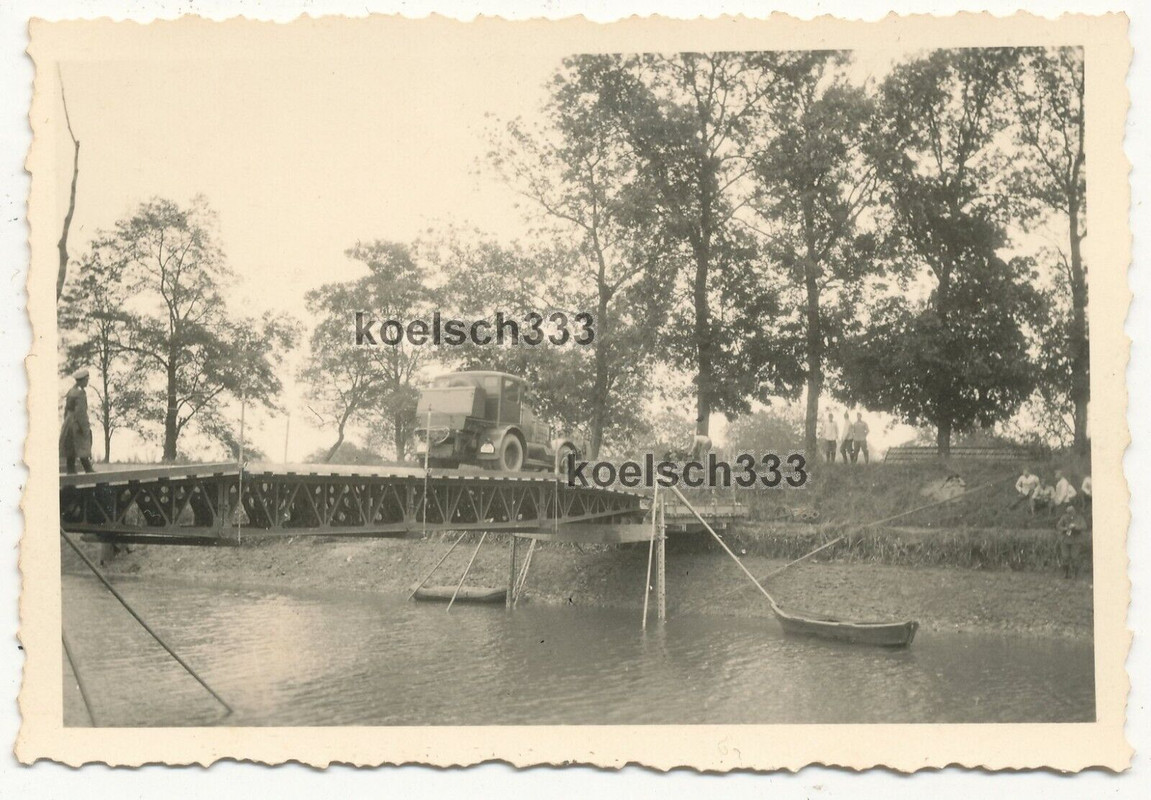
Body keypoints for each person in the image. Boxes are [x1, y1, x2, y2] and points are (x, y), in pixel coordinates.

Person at [59, 368, 94, 474]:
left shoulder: (71, 391)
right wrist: (85, 428)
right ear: (82, 381)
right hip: (76, 423)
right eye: (86, 380)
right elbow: (81, 413)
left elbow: (66, 410)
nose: (87, 382)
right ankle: (88, 469)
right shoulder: (80, 393)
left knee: (71, 448)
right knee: (82, 445)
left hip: (68, 422)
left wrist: (66, 422)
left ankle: (71, 471)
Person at [1055, 505, 1087, 579]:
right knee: (1065, 556)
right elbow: (1058, 526)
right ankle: (1066, 574)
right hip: (1065, 540)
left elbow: (1084, 526)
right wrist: (1065, 528)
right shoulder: (1064, 517)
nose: (1070, 514)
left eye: (1072, 512)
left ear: (1074, 511)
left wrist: (1076, 527)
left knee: (1075, 557)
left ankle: (1075, 574)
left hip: (1076, 540)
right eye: (1068, 512)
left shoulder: (1079, 518)